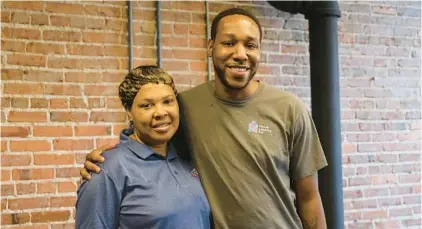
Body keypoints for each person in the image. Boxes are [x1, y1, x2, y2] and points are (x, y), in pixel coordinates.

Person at [80, 8, 327, 229]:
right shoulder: (185, 106)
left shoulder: (290, 109)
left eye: (250, 45)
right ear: (211, 47)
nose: (240, 54)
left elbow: (310, 198)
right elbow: (147, 137)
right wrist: (105, 161)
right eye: (229, 43)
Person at [75, 66, 211, 229]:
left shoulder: (187, 156)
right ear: (129, 111)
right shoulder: (108, 170)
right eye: (147, 105)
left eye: (168, 101)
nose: (160, 112)